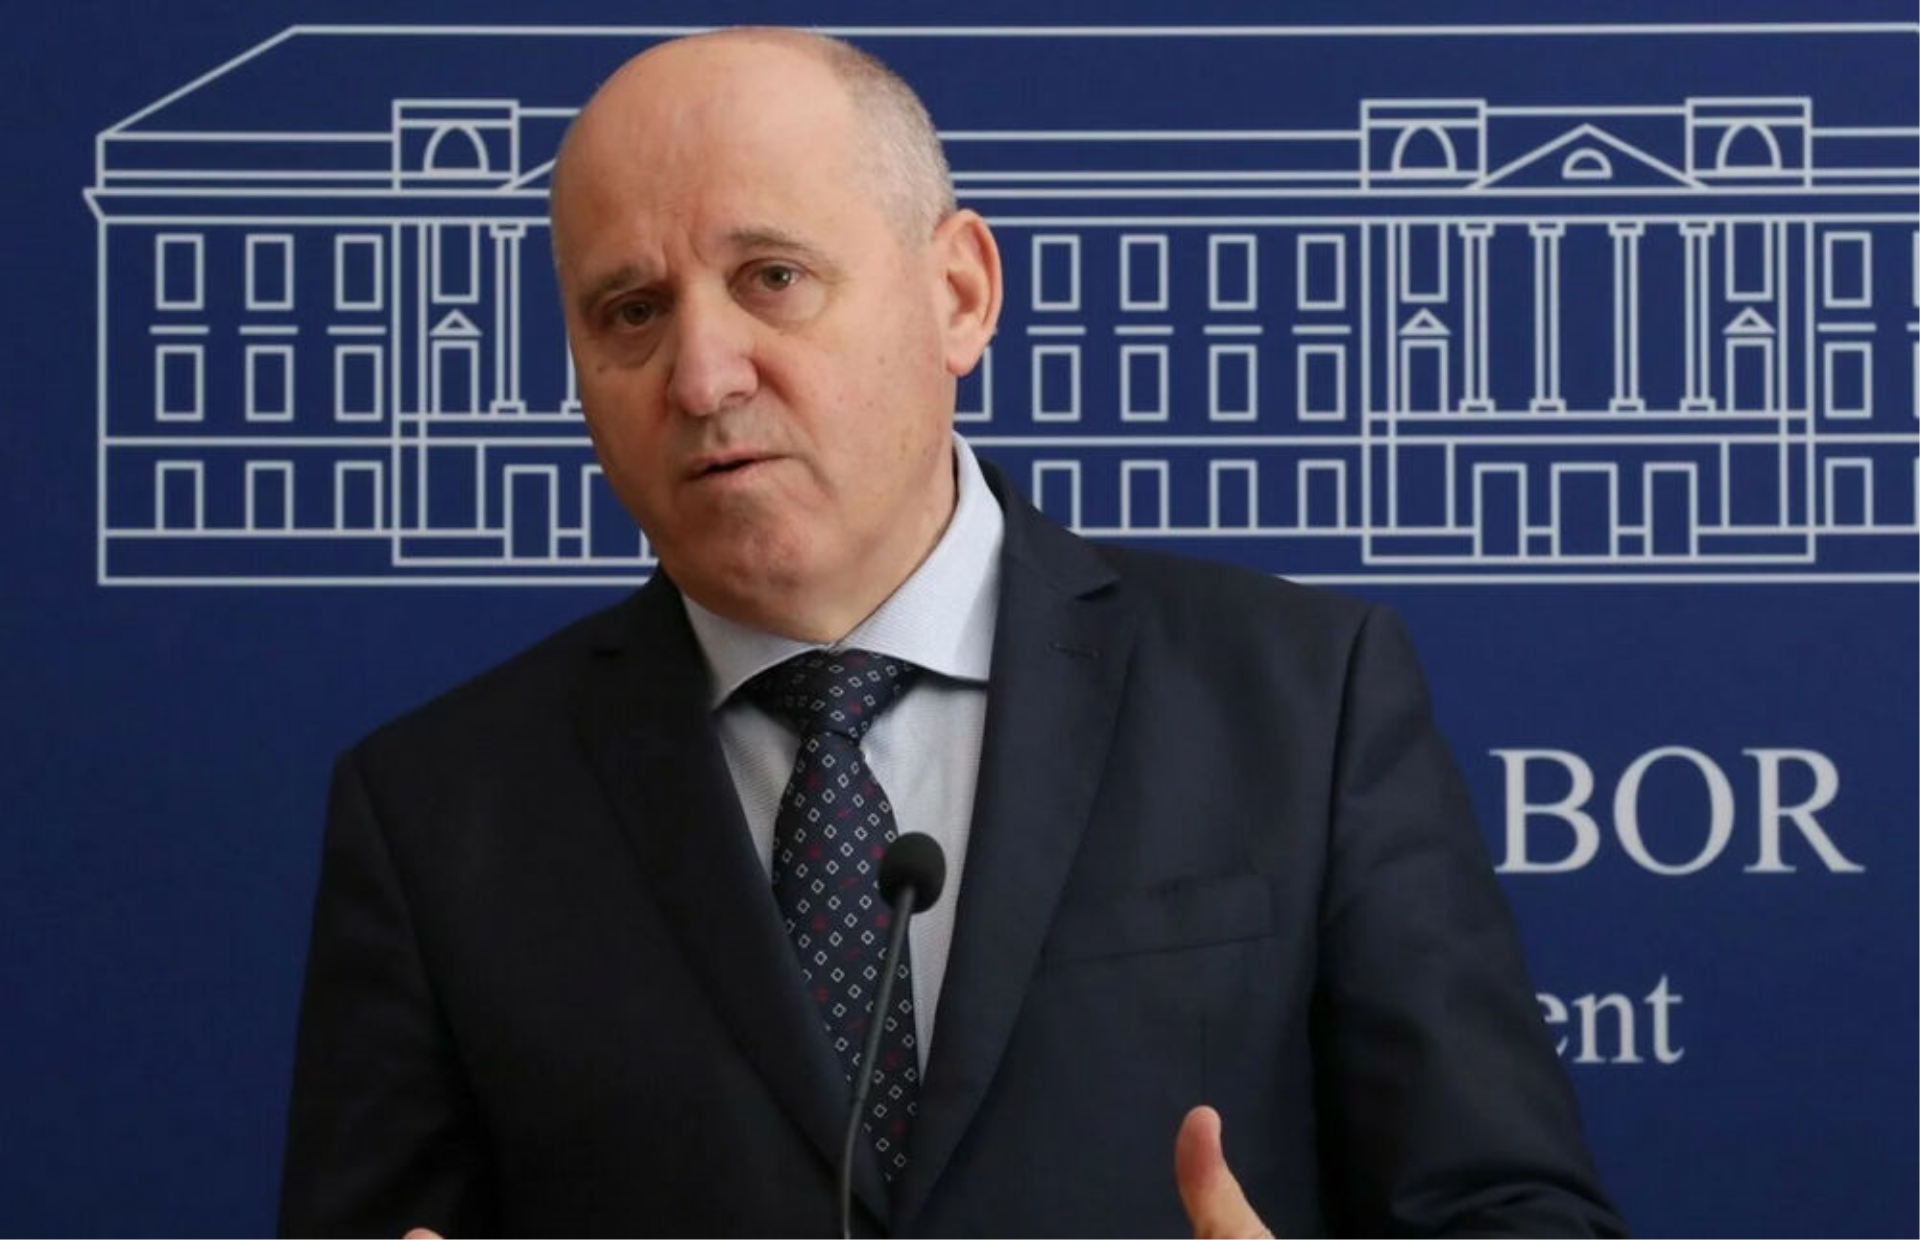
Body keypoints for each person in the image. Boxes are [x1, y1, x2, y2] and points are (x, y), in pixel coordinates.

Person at [280, 27, 1629, 1240]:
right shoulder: (436, 813)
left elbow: (1512, 1212)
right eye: (632, 312)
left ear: (960, 294)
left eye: (772, 277)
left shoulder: (1301, 700)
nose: (701, 375)